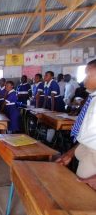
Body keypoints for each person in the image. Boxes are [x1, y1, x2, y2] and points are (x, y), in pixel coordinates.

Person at [56, 59, 96, 191]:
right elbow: (88, 136)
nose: (84, 81)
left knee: (83, 194)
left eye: (88, 75)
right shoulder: (92, 97)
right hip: (85, 150)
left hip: (93, 156)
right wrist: (70, 154)